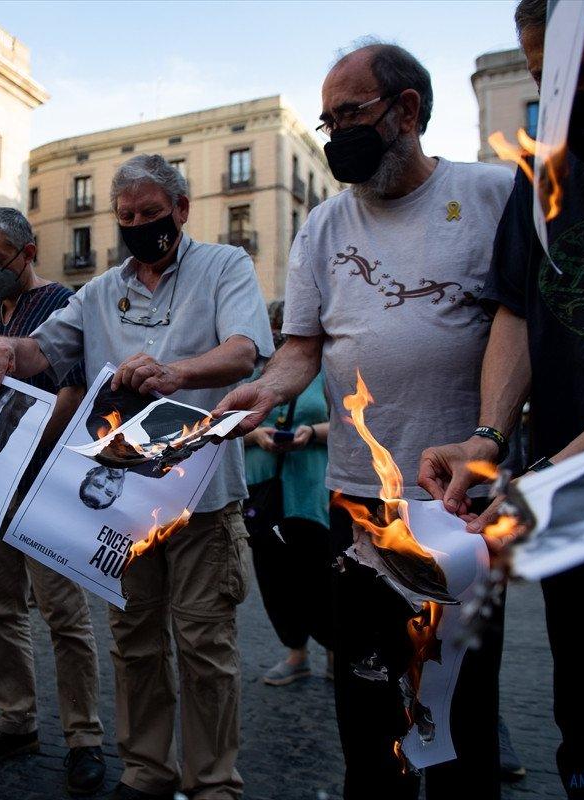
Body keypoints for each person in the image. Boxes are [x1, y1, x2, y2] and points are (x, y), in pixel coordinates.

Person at [214, 44, 513, 799]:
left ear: (406, 110)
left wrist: (495, 438)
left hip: (463, 506)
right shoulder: (322, 226)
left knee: (461, 714)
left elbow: (524, 326)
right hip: (359, 507)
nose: (335, 134)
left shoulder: (492, 193)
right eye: (328, 121)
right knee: (367, 711)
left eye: (350, 114)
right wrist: (262, 391)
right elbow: (301, 349)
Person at [418, 2, 584, 796]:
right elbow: (521, 306)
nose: (569, 95)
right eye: (549, 79)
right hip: (577, 502)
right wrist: (489, 437)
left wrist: (563, 465)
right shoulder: (545, 169)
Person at [0, 154, 273, 800]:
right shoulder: (101, 291)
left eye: (150, 213)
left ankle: (213, 782)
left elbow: (244, 350)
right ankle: (145, 770)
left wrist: (176, 373)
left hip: (203, 497)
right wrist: (5, 348)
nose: (137, 225)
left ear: (181, 210)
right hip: (122, 500)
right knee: (134, 640)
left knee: (205, 644)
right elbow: (42, 348)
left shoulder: (225, 266)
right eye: (126, 216)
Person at [0, 208, 106, 795]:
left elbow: (76, 389)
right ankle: (14, 721)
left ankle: (83, 738)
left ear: (28, 251)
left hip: (43, 484)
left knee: (64, 615)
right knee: (0, 609)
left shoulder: (64, 305)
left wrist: (24, 448)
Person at [241, 302, 333, 687]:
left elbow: (350, 424)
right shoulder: (252, 373)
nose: (279, 335)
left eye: (285, 328)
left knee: (320, 573)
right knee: (273, 574)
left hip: (310, 490)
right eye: (274, 327)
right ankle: (297, 654)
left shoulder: (325, 370)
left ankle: (336, 651)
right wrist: (255, 435)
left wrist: (312, 433)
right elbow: (225, 424)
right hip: (262, 487)